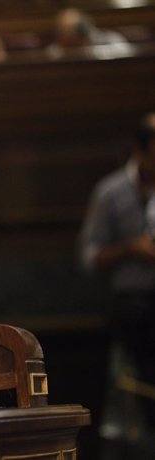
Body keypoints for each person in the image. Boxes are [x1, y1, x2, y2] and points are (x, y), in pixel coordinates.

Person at [79, 112, 155, 456]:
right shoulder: (110, 192)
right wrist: (131, 249)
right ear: (140, 150)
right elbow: (89, 256)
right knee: (134, 395)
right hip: (133, 305)